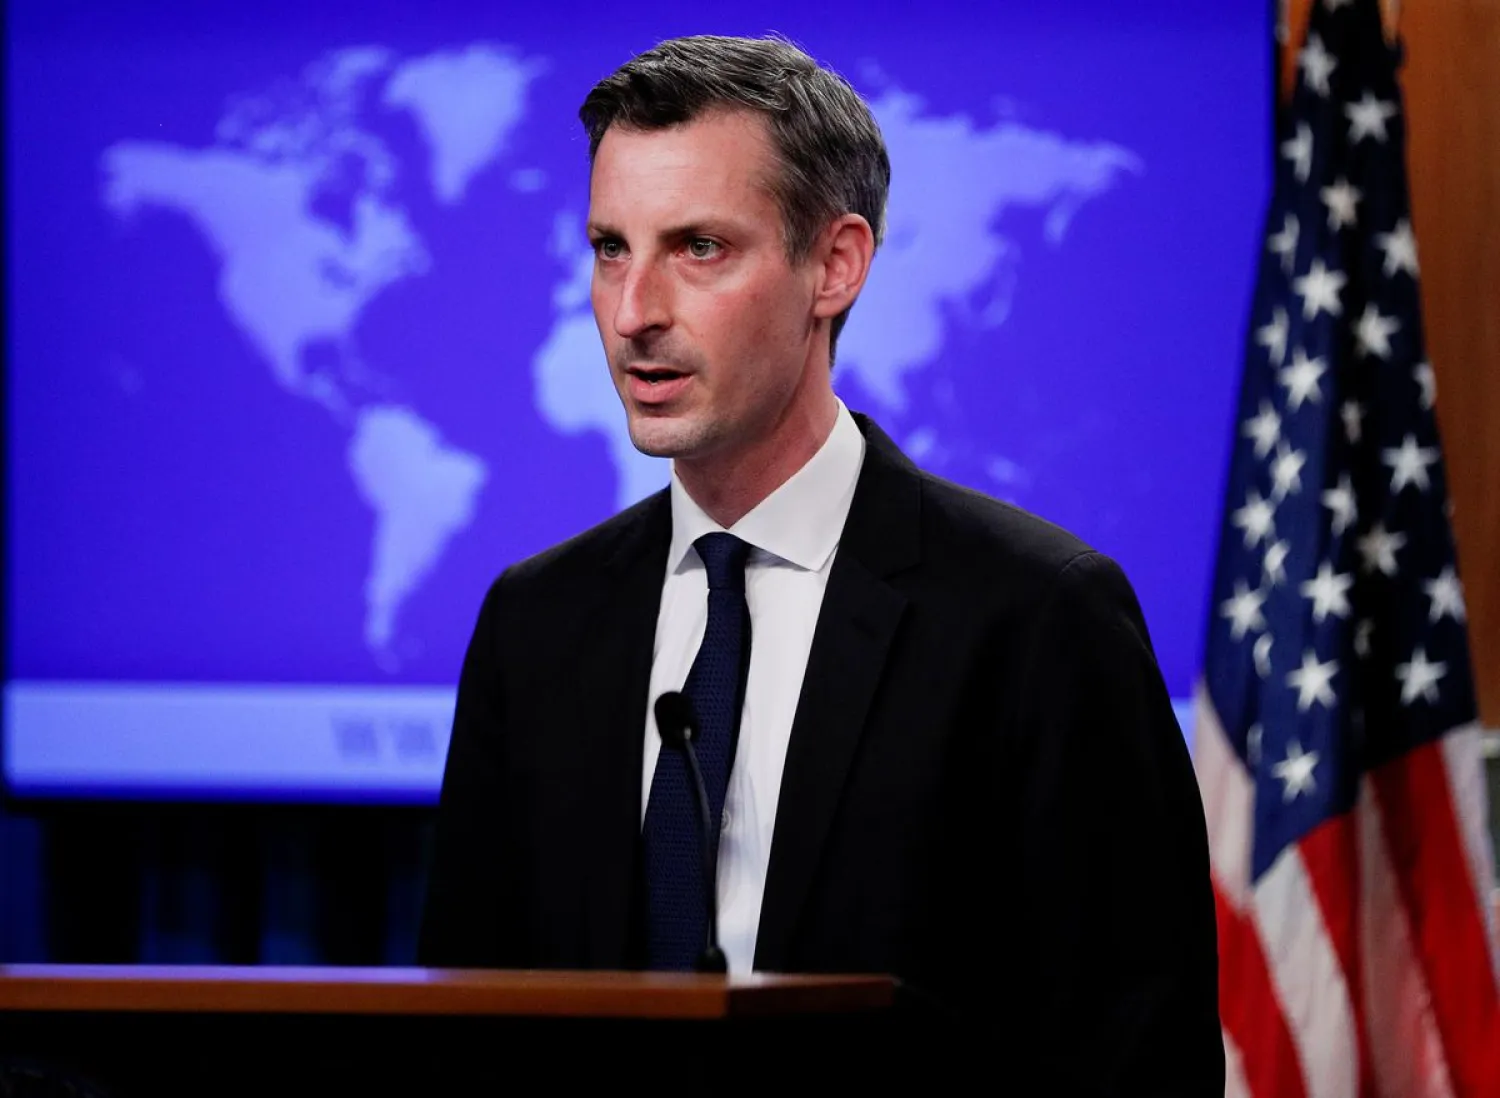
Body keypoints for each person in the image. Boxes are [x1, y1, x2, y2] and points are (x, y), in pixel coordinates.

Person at [420, 34, 1223, 1088]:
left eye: (698, 247)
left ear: (834, 266)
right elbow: (464, 1035)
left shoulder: (1035, 618)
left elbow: (1132, 1058)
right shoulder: (537, 623)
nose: (633, 313)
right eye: (612, 247)